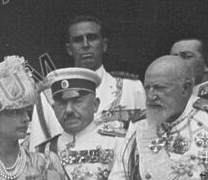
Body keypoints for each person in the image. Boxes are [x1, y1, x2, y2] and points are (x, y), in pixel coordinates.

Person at [29, 16, 146, 147]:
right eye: (78, 40)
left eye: (92, 38)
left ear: (104, 45)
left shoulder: (131, 88)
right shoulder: (48, 96)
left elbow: (147, 139)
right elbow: (37, 153)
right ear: (69, 49)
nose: (85, 45)